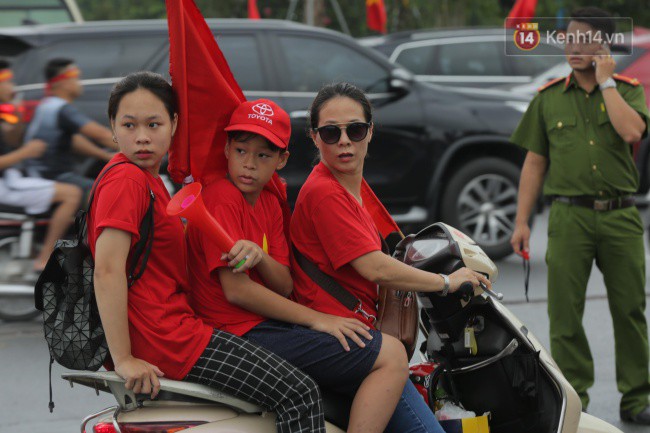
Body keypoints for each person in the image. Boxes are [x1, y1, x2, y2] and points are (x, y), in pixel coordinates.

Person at [90, 71, 326, 433]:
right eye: (129, 124)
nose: (141, 137)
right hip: (170, 339)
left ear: (174, 124)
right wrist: (124, 359)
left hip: (177, 329)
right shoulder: (127, 180)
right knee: (299, 393)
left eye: (153, 124)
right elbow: (107, 271)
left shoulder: (149, 180)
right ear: (112, 127)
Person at [187, 98, 412, 433]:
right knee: (391, 355)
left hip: (267, 326)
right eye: (241, 151)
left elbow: (284, 284)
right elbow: (237, 292)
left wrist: (261, 258)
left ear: (282, 160)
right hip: (236, 332)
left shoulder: (270, 203)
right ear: (226, 149)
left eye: (263, 155)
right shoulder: (221, 198)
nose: (249, 164)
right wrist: (320, 320)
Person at [289, 82, 491, 433]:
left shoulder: (349, 187)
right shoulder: (325, 192)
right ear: (314, 137)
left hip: (357, 333)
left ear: (370, 131)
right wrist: (445, 282)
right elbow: (374, 266)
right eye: (330, 132)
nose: (344, 141)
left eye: (355, 129)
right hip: (346, 339)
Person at [509, 7, 650, 425]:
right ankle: (575, 398)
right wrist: (521, 221)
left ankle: (637, 397)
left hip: (620, 216)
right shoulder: (548, 97)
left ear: (604, 46)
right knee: (564, 313)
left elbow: (632, 132)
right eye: (568, 39)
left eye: (585, 39)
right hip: (569, 217)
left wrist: (606, 81)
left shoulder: (627, 90)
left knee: (629, 310)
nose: (574, 47)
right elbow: (534, 164)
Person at [0, 58, 81, 272]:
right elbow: (16, 152)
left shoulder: (4, 111)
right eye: (5, 81)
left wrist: (15, 121)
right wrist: (25, 152)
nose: (11, 87)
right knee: (71, 194)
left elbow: (11, 142)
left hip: (14, 178)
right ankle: (45, 258)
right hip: (6, 185)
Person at [23, 58, 117, 196]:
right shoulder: (60, 108)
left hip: (42, 173)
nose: (80, 83)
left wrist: (104, 155)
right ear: (63, 82)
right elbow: (100, 134)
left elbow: (74, 141)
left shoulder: (47, 105)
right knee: (105, 193)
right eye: (76, 78)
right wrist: (133, 148)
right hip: (50, 176)